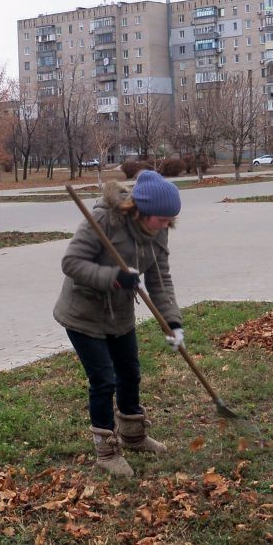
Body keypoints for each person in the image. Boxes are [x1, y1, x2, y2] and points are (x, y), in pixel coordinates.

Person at [53, 170, 184, 477]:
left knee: (130, 373)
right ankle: (107, 451)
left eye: (169, 220)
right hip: (83, 314)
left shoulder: (158, 231)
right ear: (142, 211)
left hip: (120, 314)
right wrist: (114, 278)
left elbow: (160, 279)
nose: (166, 225)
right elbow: (71, 263)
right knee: (104, 381)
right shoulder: (104, 220)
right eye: (162, 219)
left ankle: (134, 436)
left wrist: (173, 322)